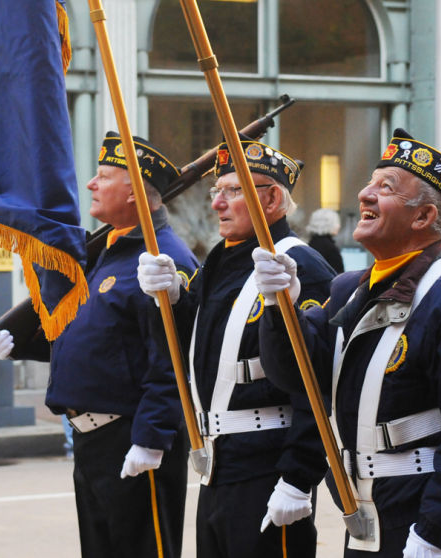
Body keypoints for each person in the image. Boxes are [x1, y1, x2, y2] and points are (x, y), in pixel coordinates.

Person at [253, 129, 441, 557]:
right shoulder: (348, 290)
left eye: (385, 187)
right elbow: (297, 373)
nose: (364, 194)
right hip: (362, 516)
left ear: (423, 217)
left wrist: (433, 527)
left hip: (416, 518)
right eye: (370, 183)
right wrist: (280, 306)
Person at [0, 132, 198, 558]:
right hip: (91, 441)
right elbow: (101, 344)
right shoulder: (106, 253)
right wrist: (21, 343)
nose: (90, 185)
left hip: (130, 437)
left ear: (136, 192)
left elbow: (172, 359)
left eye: (103, 176)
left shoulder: (162, 261)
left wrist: (151, 438)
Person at [136, 137, 335, 558]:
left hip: (268, 465)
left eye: (232, 191)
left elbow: (317, 381)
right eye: (216, 191)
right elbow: (196, 346)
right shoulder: (220, 261)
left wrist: (299, 476)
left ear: (273, 197)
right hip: (218, 462)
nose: (217, 204)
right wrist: (169, 299)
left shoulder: (299, 268)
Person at [306, 207, 345, 273]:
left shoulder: (310, 244)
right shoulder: (330, 248)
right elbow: (339, 275)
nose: (339, 226)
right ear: (330, 224)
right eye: (337, 222)